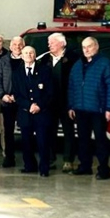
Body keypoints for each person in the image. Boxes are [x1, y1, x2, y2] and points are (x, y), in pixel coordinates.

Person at [67, 37, 110, 179]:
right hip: (80, 109)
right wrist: (71, 105)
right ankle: (85, 166)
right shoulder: (77, 65)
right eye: (84, 47)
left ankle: (104, 170)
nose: (86, 50)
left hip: (98, 110)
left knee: (100, 140)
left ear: (96, 47)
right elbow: (71, 87)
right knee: (83, 140)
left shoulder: (105, 64)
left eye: (89, 46)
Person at [38, 32, 78, 173]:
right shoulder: (44, 59)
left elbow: (76, 83)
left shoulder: (73, 59)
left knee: (68, 132)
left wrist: (73, 104)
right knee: (49, 131)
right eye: (49, 43)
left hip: (66, 102)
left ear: (62, 43)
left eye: (52, 42)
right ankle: (50, 159)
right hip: (49, 103)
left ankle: (68, 160)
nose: (49, 45)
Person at [13, 46, 54, 177]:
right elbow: (17, 94)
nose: (29, 55)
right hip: (25, 112)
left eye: (31, 53)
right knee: (26, 142)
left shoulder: (45, 70)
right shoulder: (17, 73)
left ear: (35, 55)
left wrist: (39, 106)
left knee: (43, 141)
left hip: (42, 112)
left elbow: (50, 93)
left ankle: (44, 168)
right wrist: (29, 105)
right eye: (26, 53)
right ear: (21, 56)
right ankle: (29, 166)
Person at [0, 36, 24, 167]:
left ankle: (28, 160)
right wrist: (2, 95)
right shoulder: (3, 61)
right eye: (14, 44)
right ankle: (9, 158)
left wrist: (19, 96)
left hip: (23, 102)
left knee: (26, 131)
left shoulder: (28, 58)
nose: (17, 47)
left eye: (20, 44)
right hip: (7, 102)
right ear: (10, 46)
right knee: (8, 131)